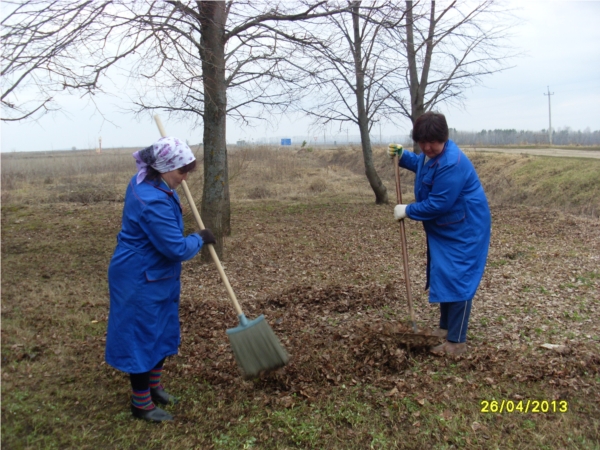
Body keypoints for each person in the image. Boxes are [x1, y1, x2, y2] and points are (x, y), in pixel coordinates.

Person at [105, 136, 216, 422]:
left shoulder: (152, 182)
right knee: (141, 337)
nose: (185, 178)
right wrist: (199, 238)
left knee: (162, 331)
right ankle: (140, 404)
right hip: (139, 276)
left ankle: (154, 388)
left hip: (157, 273)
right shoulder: (152, 200)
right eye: (182, 171)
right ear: (164, 167)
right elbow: (175, 248)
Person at [389, 112, 491, 356]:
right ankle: (445, 330)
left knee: (459, 278)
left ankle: (456, 343)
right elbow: (423, 165)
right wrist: (404, 157)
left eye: (432, 142)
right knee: (446, 274)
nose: (427, 147)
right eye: (422, 143)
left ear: (444, 138)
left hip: (465, 227)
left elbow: (439, 204)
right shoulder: (432, 155)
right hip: (447, 227)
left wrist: (408, 210)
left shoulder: (451, 163)